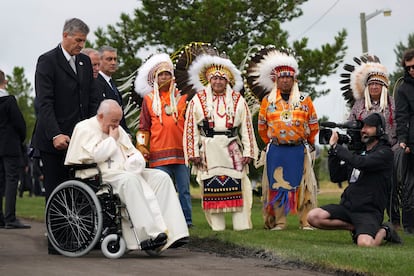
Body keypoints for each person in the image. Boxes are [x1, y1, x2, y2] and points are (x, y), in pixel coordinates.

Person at [65, 99, 189, 251]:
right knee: (130, 180)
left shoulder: (117, 128)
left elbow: (132, 152)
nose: (116, 125)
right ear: (101, 116)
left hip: (124, 172)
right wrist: (111, 140)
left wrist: (136, 161)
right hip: (98, 176)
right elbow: (96, 156)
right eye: (113, 121)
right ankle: (148, 236)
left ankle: (174, 233)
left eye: (118, 120)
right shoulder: (84, 128)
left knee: (161, 177)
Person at [32, 18, 99, 253]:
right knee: (56, 189)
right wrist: (56, 134)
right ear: (65, 35)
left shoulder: (83, 62)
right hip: (54, 140)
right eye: (78, 40)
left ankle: (79, 238)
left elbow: (90, 99)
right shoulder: (47, 61)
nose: (81, 45)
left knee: (80, 189)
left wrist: (94, 129)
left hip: (80, 140)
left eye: (84, 41)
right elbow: (45, 103)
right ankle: (58, 242)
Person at [180, 47, 258, 231]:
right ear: (208, 79)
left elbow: (247, 128)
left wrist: (248, 151)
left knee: (239, 184)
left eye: (221, 78)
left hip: (232, 149)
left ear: (228, 80)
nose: (217, 82)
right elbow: (191, 128)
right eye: (214, 78)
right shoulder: (197, 100)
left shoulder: (238, 100)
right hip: (208, 149)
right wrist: (192, 152)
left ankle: (242, 226)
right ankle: (218, 228)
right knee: (211, 188)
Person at [245, 47, 319, 230]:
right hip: (277, 149)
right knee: (276, 185)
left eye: (289, 77)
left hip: (299, 148)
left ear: (295, 79)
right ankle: (278, 221)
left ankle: (306, 221)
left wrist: (309, 143)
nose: (285, 80)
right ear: (276, 80)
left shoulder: (304, 99)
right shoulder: (267, 101)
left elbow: (313, 124)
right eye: (282, 77)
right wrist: (272, 141)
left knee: (305, 185)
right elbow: (262, 127)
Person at [307, 113, 402, 246]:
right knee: (313, 217)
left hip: (369, 212)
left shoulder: (385, 153)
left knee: (365, 244)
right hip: (348, 208)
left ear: (379, 129)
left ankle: (385, 230)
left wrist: (337, 148)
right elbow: (336, 176)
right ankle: (353, 227)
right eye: (363, 127)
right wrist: (333, 152)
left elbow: (362, 163)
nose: (364, 130)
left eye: (369, 127)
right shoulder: (358, 154)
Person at [134, 53, 192, 227]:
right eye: (161, 75)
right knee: (161, 191)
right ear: (155, 78)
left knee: (184, 190)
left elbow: (191, 125)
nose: (164, 77)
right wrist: (142, 147)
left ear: (172, 76)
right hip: (158, 153)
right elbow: (143, 127)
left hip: (181, 153)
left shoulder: (183, 98)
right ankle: (164, 222)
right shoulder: (149, 99)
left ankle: (187, 222)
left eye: (167, 73)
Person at [0, 69, 30, 229]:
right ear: (4, 82)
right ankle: (10, 218)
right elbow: (20, 123)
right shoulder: (9, 100)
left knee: (0, 181)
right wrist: (21, 138)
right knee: (12, 180)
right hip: (10, 145)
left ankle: (0, 218)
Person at [395, 48, 414, 235]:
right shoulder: (403, 89)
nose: (412, 70)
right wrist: (402, 140)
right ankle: (409, 226)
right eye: (408, 68)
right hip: (411, 143)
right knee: (409, 187)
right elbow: (401, 117)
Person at [95, 45, 129, 133]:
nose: (113, 63)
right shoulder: (95, 82)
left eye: (115, 59)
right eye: (109, 59)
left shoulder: (112, 84)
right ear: (99, 61)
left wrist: (126, 132)